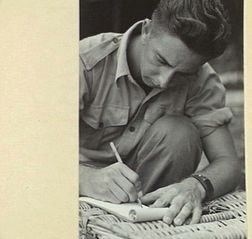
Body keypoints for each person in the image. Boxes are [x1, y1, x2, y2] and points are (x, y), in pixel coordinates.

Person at [79, 0, 240, 226]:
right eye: (161, 60)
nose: (164, 81)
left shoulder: (202, 79)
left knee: (179, 132)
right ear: (146, 31)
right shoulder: (84, 61)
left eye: (184, 73)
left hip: (146, 199)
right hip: (78, 186)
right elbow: (32, 155)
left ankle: (147, 226)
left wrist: (196, 186)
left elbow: (228, 164)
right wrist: (86, 179)